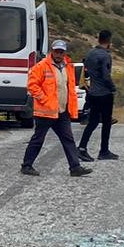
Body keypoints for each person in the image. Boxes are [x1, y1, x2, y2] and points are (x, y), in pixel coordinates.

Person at [21, 40, 92, 177]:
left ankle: (75, 167)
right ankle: (26, 165)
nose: (59, 54)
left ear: (65, 53)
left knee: (68, 139)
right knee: (38, 139)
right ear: (52, 51)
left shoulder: (68, 67)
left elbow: (69, 87)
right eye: (56, 51)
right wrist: (44, 100)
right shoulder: (41, 66)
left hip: (62, 111)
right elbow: (32, 85)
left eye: (61, 52)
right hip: (45, 112)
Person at [77, 29, 120, 162]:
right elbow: (106, 76)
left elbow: (87, 71)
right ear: (109, 41)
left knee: (93, 122)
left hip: (93, 92)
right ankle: (104, 151)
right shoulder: (105, 55)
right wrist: (113, 88)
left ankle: (82, 148)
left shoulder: (90, 53)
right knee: (107, 122)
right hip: (104, 93)